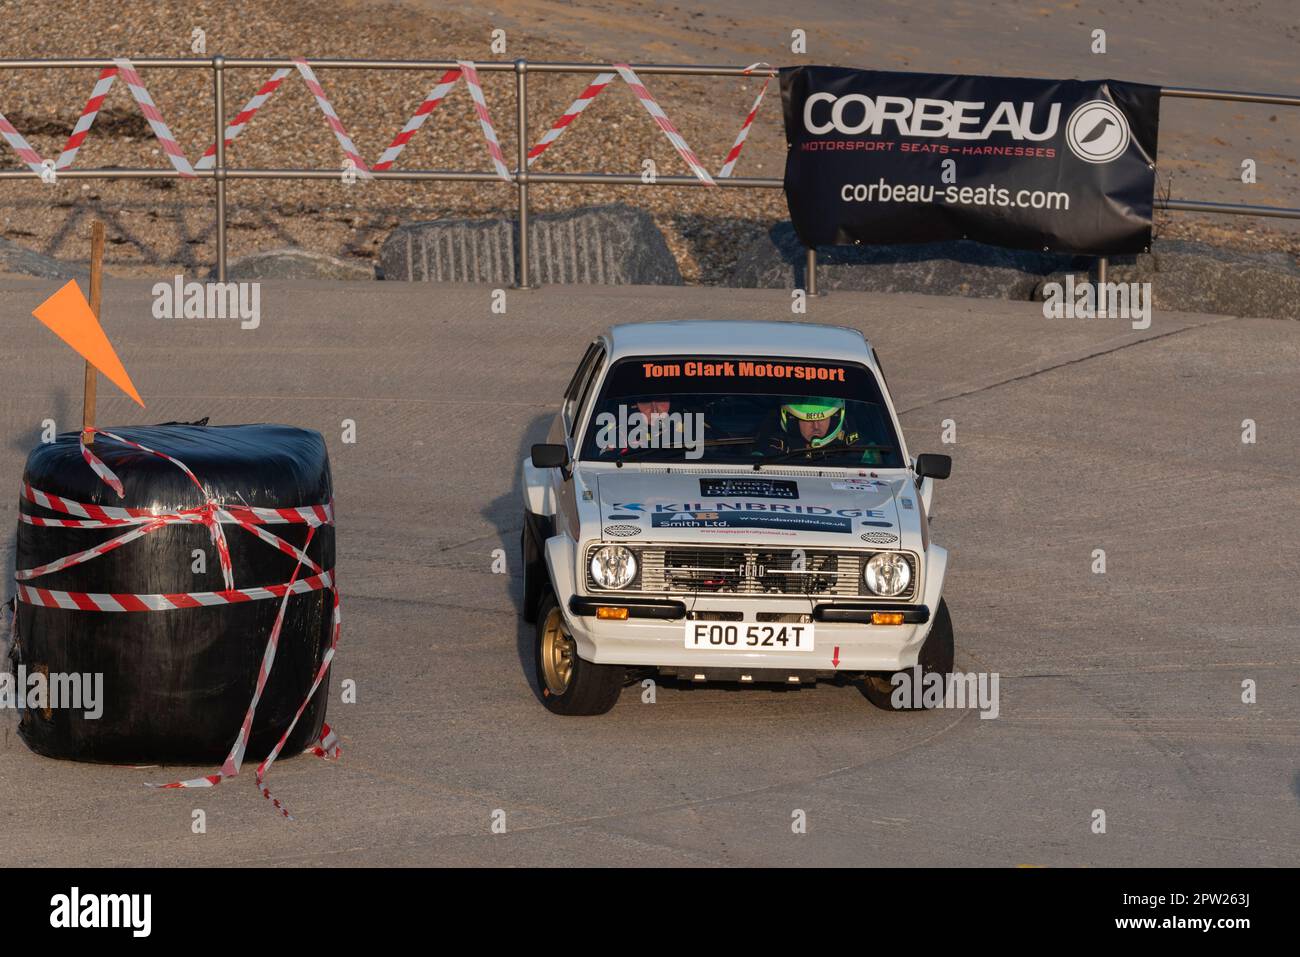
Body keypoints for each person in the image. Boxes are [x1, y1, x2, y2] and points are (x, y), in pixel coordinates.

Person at [758, 397, 886, 465]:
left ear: (835, 417)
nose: (816, 426)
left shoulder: (860, 448)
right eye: (807, 420)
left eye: (823, 418)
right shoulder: (774, 448)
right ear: (792, 420)